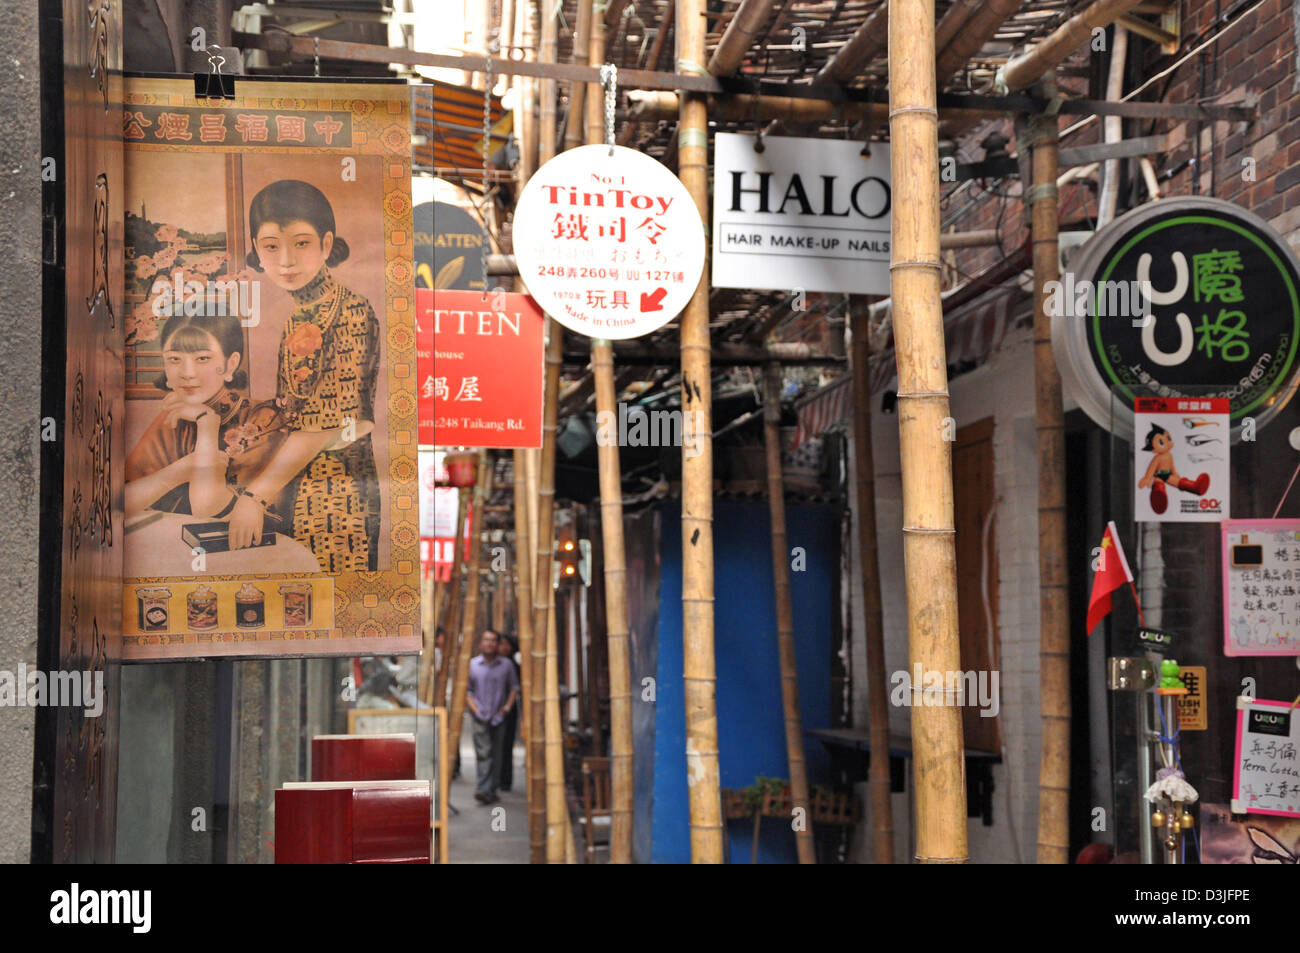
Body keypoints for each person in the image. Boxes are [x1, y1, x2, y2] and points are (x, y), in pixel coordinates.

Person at [224, 179, 381, 571]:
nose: (286, 261)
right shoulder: (299, 316)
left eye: (302, 243)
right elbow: (296, 410)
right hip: (296, 485)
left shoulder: (351, 311)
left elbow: (335, 426)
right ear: (258, 251)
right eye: (272, 246)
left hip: (340, 493)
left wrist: (255, 496)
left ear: (327, 245)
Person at [125, 312, 285, 520]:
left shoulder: (262, 419)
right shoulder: (174, 417)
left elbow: (209, 510)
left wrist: (206, 422)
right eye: (174, 359)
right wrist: (180, 471)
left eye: (202, 358)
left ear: (230, 364)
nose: (187, 373)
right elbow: (121, 505)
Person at [466, 628, 519, 804]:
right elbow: (467, 691)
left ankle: (492, 789)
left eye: (493, 640)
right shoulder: (473, 664)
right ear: (480, 643)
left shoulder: (506, 665)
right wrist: (474, 709)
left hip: (499, 716)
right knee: (483, 753)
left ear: (498, 644)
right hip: (479, 715)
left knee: (497, 754)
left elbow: (514, 688)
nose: (489, 643)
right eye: (486, 640)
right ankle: (483, 788)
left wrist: (506, 708)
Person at [496, 633, 521, 792]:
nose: (504, 647)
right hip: (491, 709)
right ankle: (493, 780)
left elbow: (516, 688)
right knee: (492, 747)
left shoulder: (515, 665)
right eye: (501, 644)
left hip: (508, 710)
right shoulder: (492, 663)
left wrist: (507, 706)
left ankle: (505, 781)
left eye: (507, 644)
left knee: (506, 745)